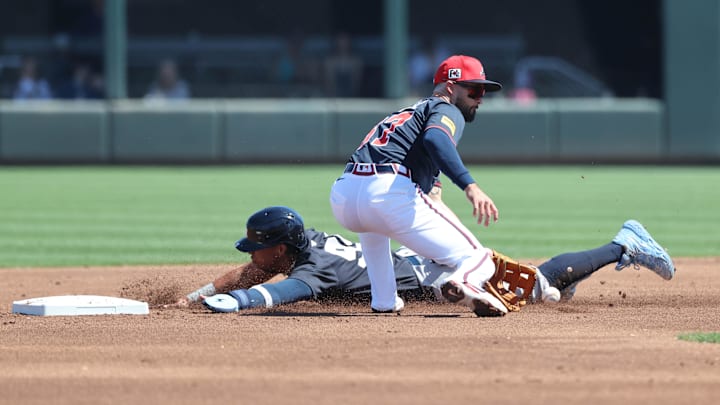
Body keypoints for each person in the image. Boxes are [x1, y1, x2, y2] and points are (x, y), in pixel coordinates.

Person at [188, 206, 675, 314]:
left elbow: (273, 290)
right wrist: (204, 292)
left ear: (281, 248)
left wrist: (234, 303)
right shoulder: (304, 243)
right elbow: (252, 271)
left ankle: (623, 244)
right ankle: (560, 281)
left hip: (443, 275)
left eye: (259, 246)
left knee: (536, 284)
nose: (255, 254)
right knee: (537, 285)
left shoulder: (313, 269)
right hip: (423, 268)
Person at [329, 54, 509, 315]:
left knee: (374, 230)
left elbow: (432, 198)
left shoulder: (407, 114)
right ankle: (466, 281)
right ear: (450, 87)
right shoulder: (446, 108)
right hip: (387, 190)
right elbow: (436, 140)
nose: (480, 97)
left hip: (344, 194)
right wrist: (470, 186)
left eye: (483, 90)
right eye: (474, 89)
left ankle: (384, 301)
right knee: (480, 259)